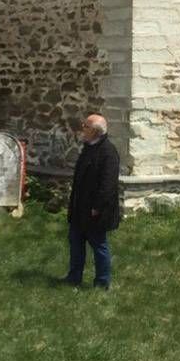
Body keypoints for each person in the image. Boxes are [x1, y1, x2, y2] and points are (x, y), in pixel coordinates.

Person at [64, 113, 121, 289]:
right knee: (76, 243)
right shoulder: (88, 148)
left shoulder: (108, 152)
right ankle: (74, 277)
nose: (83, 128)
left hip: (95, 210)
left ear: (95, 131)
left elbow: (108, 184)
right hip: (79, 206)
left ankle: (102, 282)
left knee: (98, 245)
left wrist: (97, 207)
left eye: (86, 126)